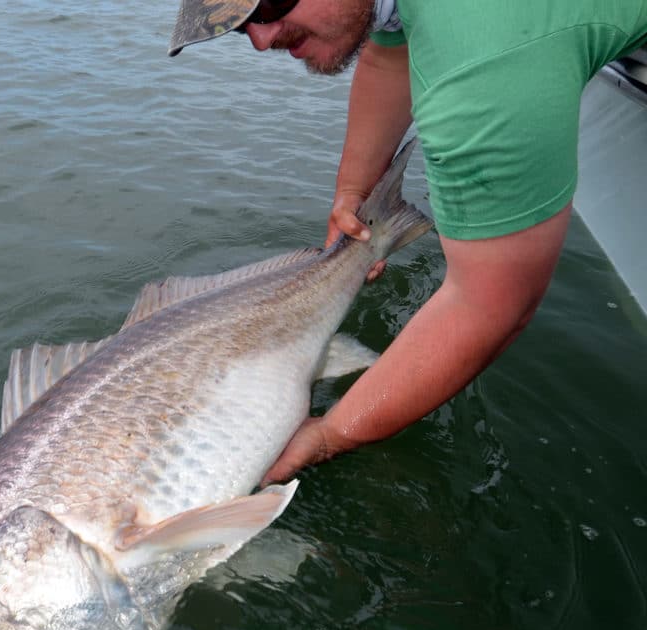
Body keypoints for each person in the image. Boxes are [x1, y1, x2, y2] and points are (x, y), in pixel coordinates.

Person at [168, 0, 647, 483]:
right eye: (237, 27)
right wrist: (355, 193)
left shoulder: (480, 64)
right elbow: (389, 51)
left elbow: (491, 305)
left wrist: (331, 433)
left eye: (267, 5)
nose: (261, 38)